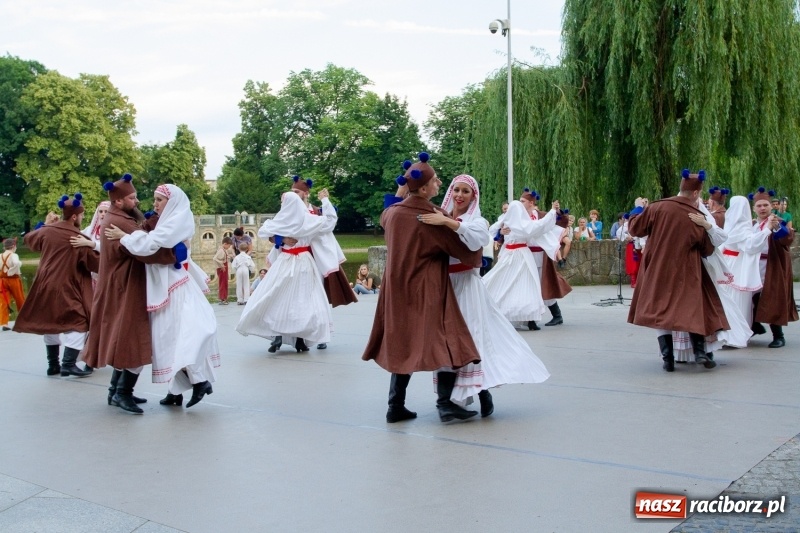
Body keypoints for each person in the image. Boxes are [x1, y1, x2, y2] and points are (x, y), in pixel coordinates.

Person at [362, 152, 482, 424]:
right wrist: (477, 257)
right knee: (447, 339)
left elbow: (385, 211)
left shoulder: (392, 214)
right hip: (427, 289)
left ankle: (396, 406)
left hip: (395, 290)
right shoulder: (430, 216)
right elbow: (466, 250)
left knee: (404, 343)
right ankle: (445, 405)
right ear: (425, 188)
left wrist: (401, 190)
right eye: (437, 181)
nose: (441, 185)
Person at [419, 174, 550, 417]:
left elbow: (478, 239)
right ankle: (446, 402)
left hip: (467, 285)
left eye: (465, 192)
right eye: (456, 190)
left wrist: (448, 223)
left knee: (471, 337)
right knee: (445, 339)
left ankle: (480, 392)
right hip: (444, 286)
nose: (459, 195)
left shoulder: (476, 221)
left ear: (473, 197)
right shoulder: (438, 214)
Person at [105, 183, 220, 408]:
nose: (154, 204)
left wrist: (124, 236)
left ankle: (196, 381)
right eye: (155, 199)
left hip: (174, 286)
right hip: (169, 284)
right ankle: (182, 388)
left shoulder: (176, 220)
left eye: (159, 200)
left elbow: (151, 245)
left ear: (172, 202)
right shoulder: (170, 220)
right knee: (170, 338)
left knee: (174, 336)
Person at [83, 173, 178, 414]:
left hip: (119, 286)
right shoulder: (120, 222)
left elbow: (139, 235)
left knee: (123, 338)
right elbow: (144, 250)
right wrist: (173, 254)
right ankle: (122, 394)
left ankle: (116, 392)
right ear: (118, 201)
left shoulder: (120, 218)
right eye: (132, 198)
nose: (137, 201)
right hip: (125, 287)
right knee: (131, 339)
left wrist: (147, 225)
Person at [626, 169, 729, 372]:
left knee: (659, 309)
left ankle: (668, 359)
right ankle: (700, 352)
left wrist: (638, 209)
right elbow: (707, 248)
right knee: (691, 307)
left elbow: (635, 229)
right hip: (687, 269)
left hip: (657, 268)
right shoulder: (696, 215)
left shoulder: (656, 207)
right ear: (697, 193)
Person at [236, 177, 336, 354]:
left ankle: (296, 337)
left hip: (292, 261)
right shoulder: (298, 219)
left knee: (289, 297)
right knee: (292, 298)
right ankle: (284, 336)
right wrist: (282, 239)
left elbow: (264, 230)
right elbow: (329, 221)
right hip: (298, 261)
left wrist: (282, 238)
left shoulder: (295, 218)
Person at [12, 194, 98, 377]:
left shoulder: (47, 231)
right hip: (67, 286)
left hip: (43, 285)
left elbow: (29, 239)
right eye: (82, 215)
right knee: (79, 323)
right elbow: (95, 264)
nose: (82, 218)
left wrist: (45, 224)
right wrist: (94, 245)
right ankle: (68, 364)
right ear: (74, 216)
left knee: (49, 323)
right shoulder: (77, 237)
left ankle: (53, 365)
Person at [483, 189, 557, 331]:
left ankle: (529, 318)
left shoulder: (524, 223)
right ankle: (494, 309)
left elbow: (539, 226)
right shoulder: (509, 220)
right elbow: (492, 230)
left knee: (528, 285)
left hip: (522, 254)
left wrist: (553, 212)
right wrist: (501, 231)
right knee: (501, 280)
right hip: (511, 254)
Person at [747, 187, 798, 347]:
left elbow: (786, 240)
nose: (762, 208)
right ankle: (755, 326)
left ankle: (778, 336)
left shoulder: (778, 222)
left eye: (765, 205)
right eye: (759, 206)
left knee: (773, 298)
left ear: (771, 207)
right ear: (754, 208)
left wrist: (775, 227)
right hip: (754, 266)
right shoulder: (752, 225)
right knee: (750, 297)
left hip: (773, 266)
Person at [0, 238, 25, 332]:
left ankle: (4, 323)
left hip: (2, 280)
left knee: (4, 301)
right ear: (14, 246)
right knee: (19, 299)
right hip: (13, 279)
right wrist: (13, 269)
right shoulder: (14, 255)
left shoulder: (0, 255)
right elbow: (16, 263)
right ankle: (23, 320)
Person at [213, 237, 235, 304]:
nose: (229, 247)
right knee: (222, 283)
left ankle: (224, 298)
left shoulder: (223, 250)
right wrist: (221, 265)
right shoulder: (221, 250)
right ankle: (222, 298)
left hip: (224, 268)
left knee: (224, 283)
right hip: (222, 269)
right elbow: (215, 258)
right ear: (225, 244)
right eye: (228, 246)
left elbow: (224, 257)